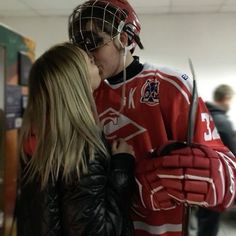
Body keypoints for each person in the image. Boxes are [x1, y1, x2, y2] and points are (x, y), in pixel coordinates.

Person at [68, 1, 236, 235]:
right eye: (79, 45)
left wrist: (210, 174)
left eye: (92, 42)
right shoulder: (85, 95)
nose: (86, 54)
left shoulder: (172, 86)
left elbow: (225, 170)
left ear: (124, 39)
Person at [17, 42, 136, 236]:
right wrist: (122, 169)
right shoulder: (82, 148)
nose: (95, 60)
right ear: (77, 79)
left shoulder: (39, 140)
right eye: (89, 61)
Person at [197, 84, 236, 236]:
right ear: (226, 99)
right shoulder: (222, 122)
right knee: (210, 223)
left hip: (202, 174)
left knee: (205, 217)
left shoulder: (203, 115)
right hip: (218, 178)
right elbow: (231, 154)